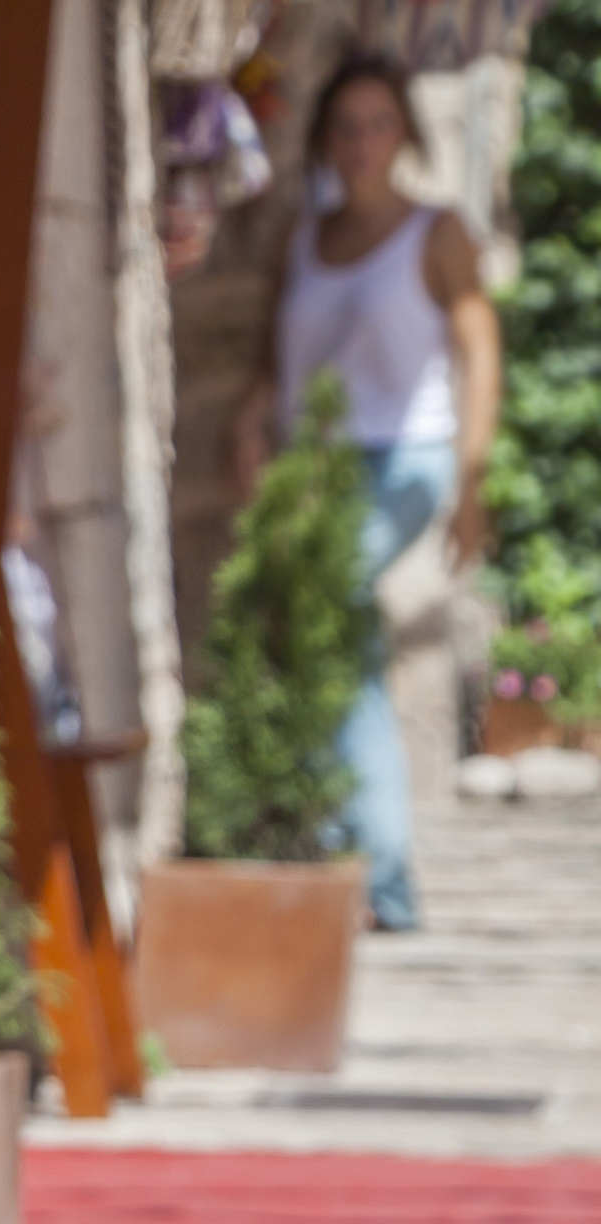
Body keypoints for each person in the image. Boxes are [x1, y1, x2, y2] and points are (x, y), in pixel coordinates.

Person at [236, 50, 499, 930]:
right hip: (314, 470)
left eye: (380, 123)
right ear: (323, 140)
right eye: (347, 127)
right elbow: (281, 358)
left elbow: (480, 352)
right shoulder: (301, 239)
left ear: (405, 135)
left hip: (405, 460)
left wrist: (472, 480)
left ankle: (376, 875)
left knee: (326, 612)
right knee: (333, 648)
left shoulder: (438, 232)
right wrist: (250, 426)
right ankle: (353, 871)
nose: (362, 142)